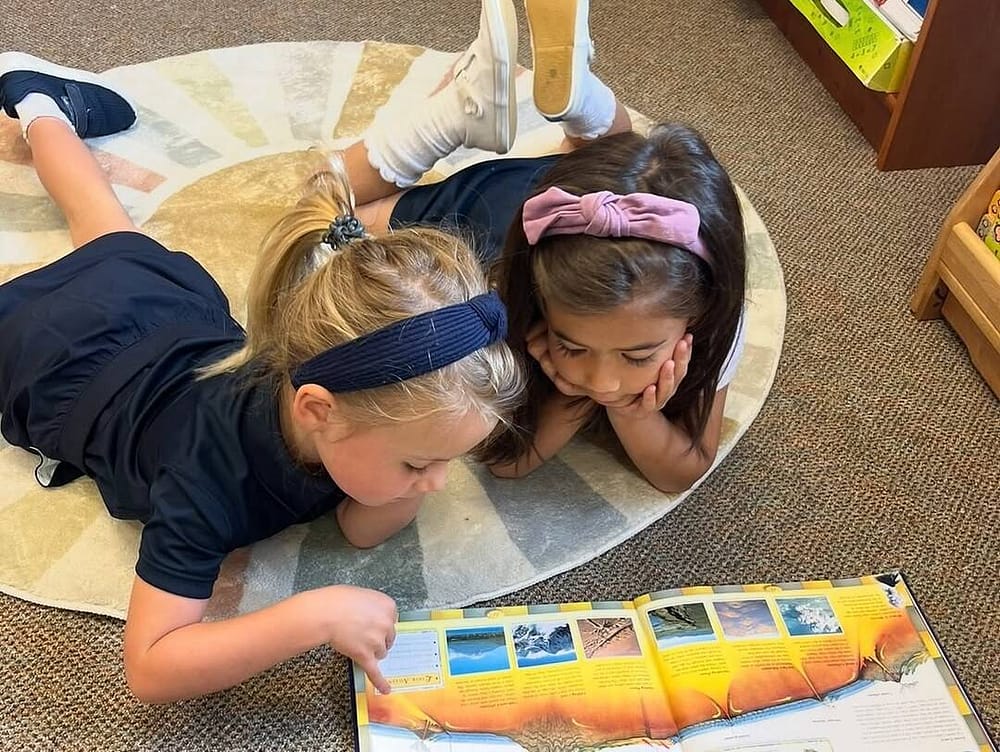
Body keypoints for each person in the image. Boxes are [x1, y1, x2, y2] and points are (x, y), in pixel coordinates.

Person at [0, 52, 523, 702]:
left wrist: (416, 466)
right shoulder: (206, 480)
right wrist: (311, 617)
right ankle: (41, 112)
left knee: (101, 221)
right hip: (60, 357)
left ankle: (38, 104)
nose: (441, 483)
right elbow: (151, 667)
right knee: (97, 228)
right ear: (318, 410)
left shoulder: (337, 397)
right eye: (421, 462)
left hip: (164, 311)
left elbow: (362, 528)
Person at [340, 0, 747, 494]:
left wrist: (621, 409)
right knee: (333, 206)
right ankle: (453, 115)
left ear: (699, 314)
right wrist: (575, 395)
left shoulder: (711, 312)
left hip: (577, 198)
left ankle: (583, 98)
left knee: (618, 160)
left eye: (637, 357)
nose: (603, 381)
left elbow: (680, 473)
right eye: (571, 346)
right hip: (496, 211)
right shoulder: (500, 286)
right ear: (538, 304)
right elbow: (506, 462)